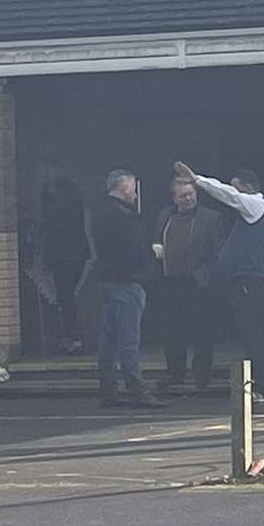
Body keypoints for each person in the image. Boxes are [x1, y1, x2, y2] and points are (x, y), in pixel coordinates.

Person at [177, 162, 264, 384]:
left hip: (251, 278)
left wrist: (198, 180)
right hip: (244, 278)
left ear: (248, 186)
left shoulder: (255, 204)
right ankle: (260, 375)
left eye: (237, 187)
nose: (234, 192)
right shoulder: (253, 210)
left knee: (251, 326)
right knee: (247, 327)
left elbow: (228, 195)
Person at [88, 169, 163, 408]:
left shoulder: (98, 212)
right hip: (126, 282)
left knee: (108, 341)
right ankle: (137, 392)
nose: (134, 194)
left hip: (106, 281)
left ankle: (108, 390)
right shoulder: (123, 216)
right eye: (132, 188)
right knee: (129, 340)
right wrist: (153, 252)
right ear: (122, 188)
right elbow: (134, 250)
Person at [154, 173, 225, 391]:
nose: (188, 199)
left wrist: (207, 274)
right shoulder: (165, 215)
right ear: (174, 198)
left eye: (191, 194)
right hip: (171, 282)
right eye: (183, 196)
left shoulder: (210, 217)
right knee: (173, 330)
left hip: (197, 282)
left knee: (201, 330)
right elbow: (157, 237)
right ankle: (175, 373)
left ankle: (202, 374)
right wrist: (156, 246)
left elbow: (218, 250)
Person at [40, 170, 91, 355]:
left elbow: (47, 214)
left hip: (61, 258)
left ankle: (73, 337)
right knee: (70, 296)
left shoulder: (57, 209)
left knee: (65, 297)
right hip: (77, 256)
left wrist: (45, 187)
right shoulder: (77, 205)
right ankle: (74, 337)